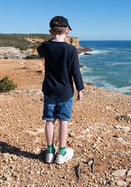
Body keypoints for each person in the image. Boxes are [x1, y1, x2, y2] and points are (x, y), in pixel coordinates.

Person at [37, 16, 84, 164]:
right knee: (64, 121)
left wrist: (50, 40)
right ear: (68, 31)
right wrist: (80, 88)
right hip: (65, 91)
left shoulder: (45, 46)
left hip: (49, 90)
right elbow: (75, 71)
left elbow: (39, 50)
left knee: (49, 121)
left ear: (50, 31)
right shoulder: (71, 50)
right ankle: (61, 153)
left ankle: (49, 152)